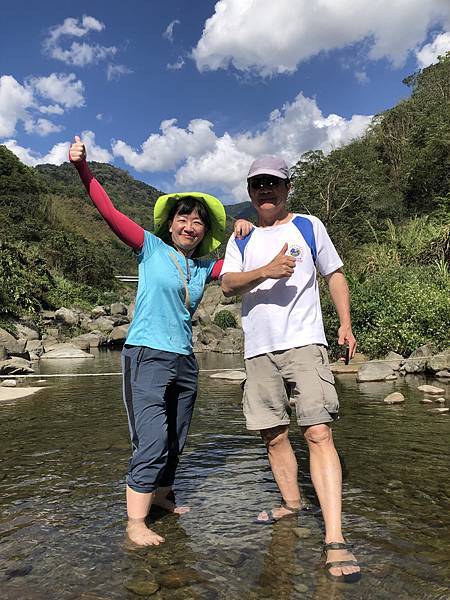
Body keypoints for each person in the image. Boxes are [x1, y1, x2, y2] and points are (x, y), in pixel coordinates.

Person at [69, 136, 252, 547]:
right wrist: (83, 169)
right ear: (170, 224)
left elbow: (239, 264)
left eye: (198, 221)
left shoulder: (203, 267)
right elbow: (109, 210)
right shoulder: (149, 248)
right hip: (147, 355)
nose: (189, 226)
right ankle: (136, 521)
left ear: (205, 231)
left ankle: (163, 496)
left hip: (185, 361)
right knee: (151, 437)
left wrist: (246, 228)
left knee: (177, 436)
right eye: (183, 219)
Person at [220, 155, 361, 583]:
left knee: (318, 431)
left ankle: (334, 537)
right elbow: (227, 284)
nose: (265, 189)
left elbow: (334, 275)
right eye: (257, 184)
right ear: (249, 191)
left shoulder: (309, 225)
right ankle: (292, 505)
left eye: (273, 183)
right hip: (258, 349)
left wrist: (345, 323)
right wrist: (265, 270)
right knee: (273, 433)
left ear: (287, 188)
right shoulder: (240, 238)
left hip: (304, 343)